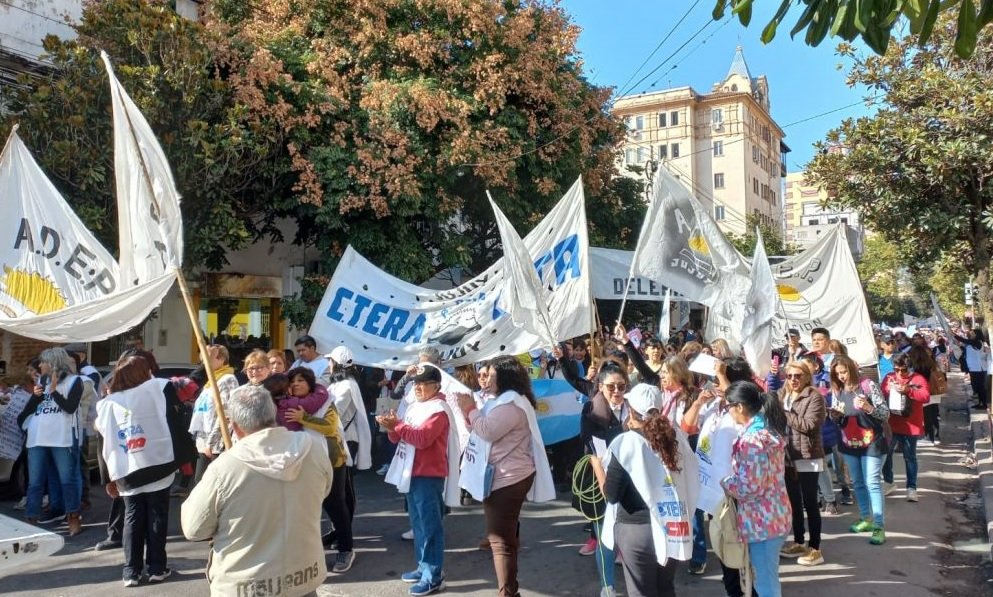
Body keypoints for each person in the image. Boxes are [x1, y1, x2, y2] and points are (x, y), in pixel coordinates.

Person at [182, 384, 332, 596]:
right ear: (274, 414)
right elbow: (323, 491)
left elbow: (194, 528)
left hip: (246, 585)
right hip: (304, 577)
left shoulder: (223, 468)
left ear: (235, 427)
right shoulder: (313, 449)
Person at [456, 356, 556, 597]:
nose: (486, 379)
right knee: (505, 536)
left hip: (507, 478)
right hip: (507, 476)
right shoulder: (502, 401)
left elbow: (488, 430)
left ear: (504, 377)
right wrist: (470, 414)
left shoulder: (510, 404)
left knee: (500, 542)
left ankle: (507, 592)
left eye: (490, 375)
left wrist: (470, 409)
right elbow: (480, 429)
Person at [95, 355, 194, 587]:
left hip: (126, 466)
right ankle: (157, 567)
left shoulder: (107, 403)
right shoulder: (157, 388)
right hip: (158, 461)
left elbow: (102, 436)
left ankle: (131, 571)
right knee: (157, 514)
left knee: (132, 517)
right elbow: (178, 405)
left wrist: (109, 477)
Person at [599, 384, 699, 597]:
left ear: (630, 410)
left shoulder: (625, 444)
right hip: (673, 523)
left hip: (637, 530)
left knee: (642, 592)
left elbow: (612, 494)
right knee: (665, 587)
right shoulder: (677, 437)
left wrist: (599, 466)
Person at [378, 363, 460, 596]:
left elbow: (422, 438)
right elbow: (398, 438)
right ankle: (424, 567)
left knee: (430, 526)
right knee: (419, 524)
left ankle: (434, 575)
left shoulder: (439, 410)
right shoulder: (416, 406)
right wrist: (391, 427)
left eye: (424, 384)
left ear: (436, 386)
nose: (419, 388)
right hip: (411, 472)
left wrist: (397, 426)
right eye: (417, 384)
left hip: (428, 475)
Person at [721, 381, 791, 597]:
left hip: (761, 522)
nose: (728, 412)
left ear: (739, 407)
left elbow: (749, 487)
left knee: (766, 584)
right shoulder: (767, 430)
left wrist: (726, 482)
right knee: (767, 579)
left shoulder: (752, 440)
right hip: (775, 516)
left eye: (727, 407)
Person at [17, 348, 85, 535]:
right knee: (35, 482)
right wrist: (36, 396)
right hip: (38, 438)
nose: (39, 366)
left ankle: (73, 517)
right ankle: (31, 519)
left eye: (43, 362)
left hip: (61, 438)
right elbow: (28, 412)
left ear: (54, 363)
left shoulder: (74, 381)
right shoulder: (41, 381)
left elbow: (70, 408)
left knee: (67, 480)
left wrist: (54, 391)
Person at [828, 354, 889, 545]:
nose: (841, 377)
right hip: (848, 443)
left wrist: (869, 407)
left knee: (872, 482)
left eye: (844, 372)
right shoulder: (836, 390)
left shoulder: (867, 385)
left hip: (872, 443)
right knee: (858, 482)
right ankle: (866, 518)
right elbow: (837, 417)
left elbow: (885, 413)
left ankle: (879, 525)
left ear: (852, 369)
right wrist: (835, 416)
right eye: (838, 374)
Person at [776, 363, 826, 566]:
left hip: (808, 456)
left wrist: (784, 413)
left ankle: (815, 548)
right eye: (789, 376)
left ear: (806, 376)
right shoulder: (783, 394)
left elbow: (809, 425)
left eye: (797, 375)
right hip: (787, 456)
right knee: (794, 503)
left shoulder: (814, 396)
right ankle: (798, 540)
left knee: (810, 503)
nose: (793, 380)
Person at [187, 345, 240, 484]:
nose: (204, 362)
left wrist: (212, 441)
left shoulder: (228, 379)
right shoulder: (211, 380)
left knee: (208, 484)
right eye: (203, 359)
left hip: (216, 444)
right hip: (203, 442)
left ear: (221, 359)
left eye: (208, 358)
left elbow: (225, 413)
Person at [881, 354, 930, 502]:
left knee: (909, 457)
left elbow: (925, 397)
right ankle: (889, 482)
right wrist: (888, 389)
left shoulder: (918, 379)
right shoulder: (889, 377)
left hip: (911, 426)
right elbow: (880, 395)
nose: (899, 374)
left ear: (909, 368)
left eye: (903, 370)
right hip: (891, 424)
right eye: (896, 370)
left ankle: (911, 488)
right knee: (886, 454)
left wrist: (908, 390)